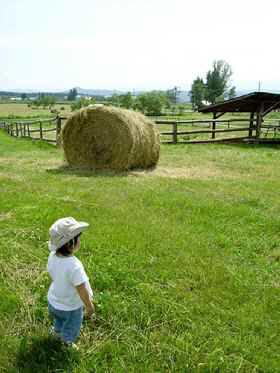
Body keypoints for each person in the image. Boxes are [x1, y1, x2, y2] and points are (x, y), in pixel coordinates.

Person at [47, 217, 94, 348]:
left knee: (59, 320)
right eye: (78, 238)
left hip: (53, 302)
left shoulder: (52, 256)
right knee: (71, 326)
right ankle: (66, 342)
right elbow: (81, 289)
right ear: (70, 243)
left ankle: (56, 331)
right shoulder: (74, 266)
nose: (80, 241)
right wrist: (89, 307)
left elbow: (51, 272)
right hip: (70, 307)